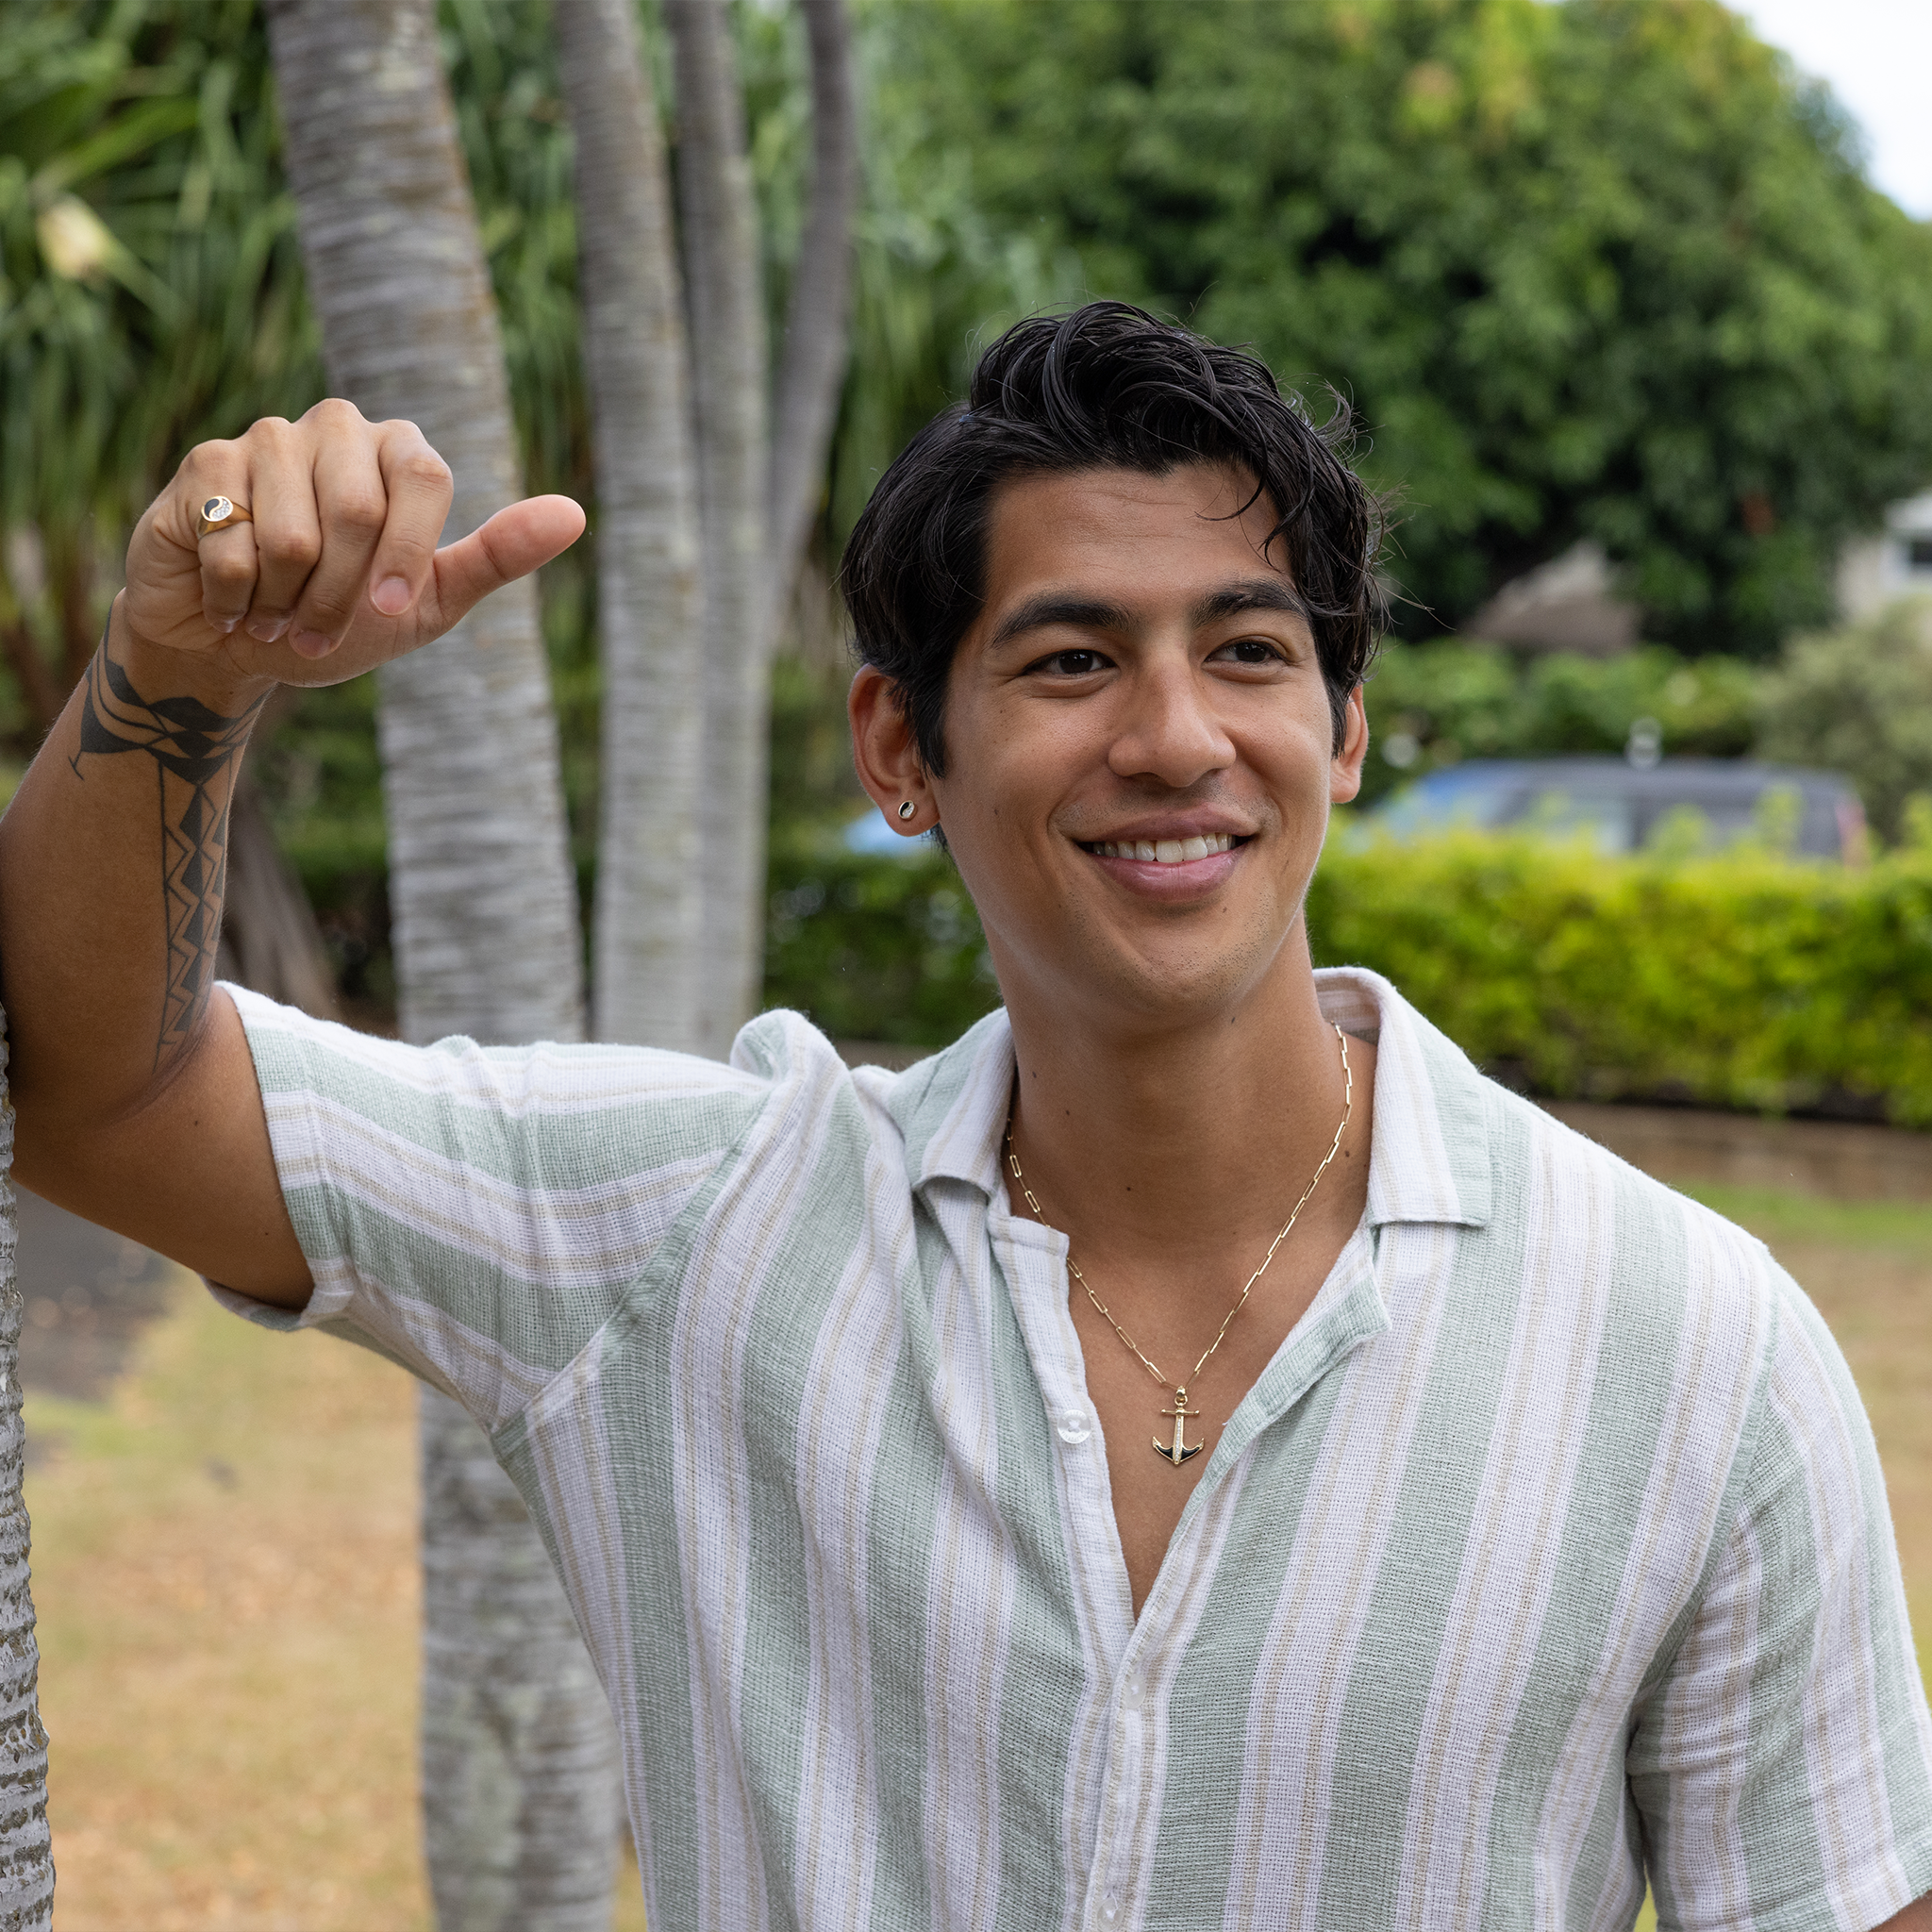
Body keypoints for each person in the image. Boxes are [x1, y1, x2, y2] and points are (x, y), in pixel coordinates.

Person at [3, 302, 1928, 1930]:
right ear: (901, 748)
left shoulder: (1691, 1345)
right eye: (1073, 657)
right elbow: (107, 1098)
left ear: (1341, 729)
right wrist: (181, 677)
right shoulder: (686, 1236)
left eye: (1249, 650)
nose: (1175, 734)